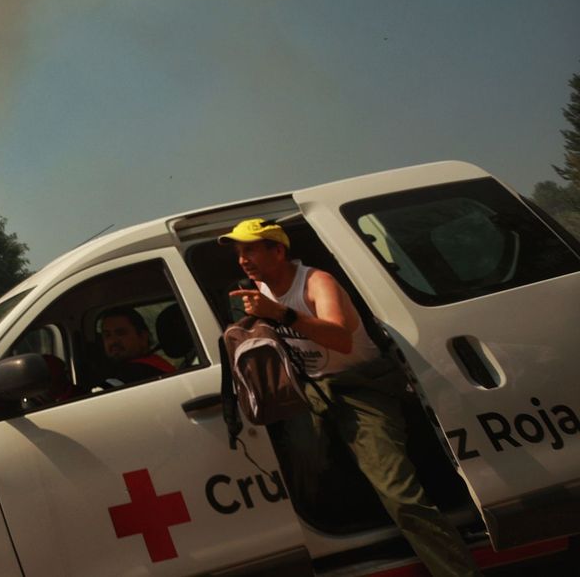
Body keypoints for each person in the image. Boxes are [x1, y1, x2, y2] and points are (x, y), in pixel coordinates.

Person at [220, 218, 481, 577]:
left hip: (360, 387)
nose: (242, 260)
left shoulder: (315, 281)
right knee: (297, 467)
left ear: (277, 250)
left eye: (250, 249)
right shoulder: (258, 290)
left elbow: (341, 338)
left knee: (401, 497)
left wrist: (280, 314)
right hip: (312, 392)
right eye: (238, 252)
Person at [98, 305, 175, 387]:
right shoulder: (157, 364)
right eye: (107, 335)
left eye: (120, 333)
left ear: (143, 337)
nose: (112, 341)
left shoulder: (137, 372)